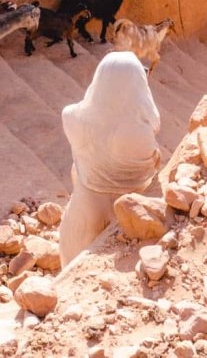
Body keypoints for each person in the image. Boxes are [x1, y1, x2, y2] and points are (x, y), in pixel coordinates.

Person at [57, 51, 161, 267]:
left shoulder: (72, 117)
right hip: (128, 220)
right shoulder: (141, 133)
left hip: (82, 218)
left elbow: (83, 112)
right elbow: (152, 137)